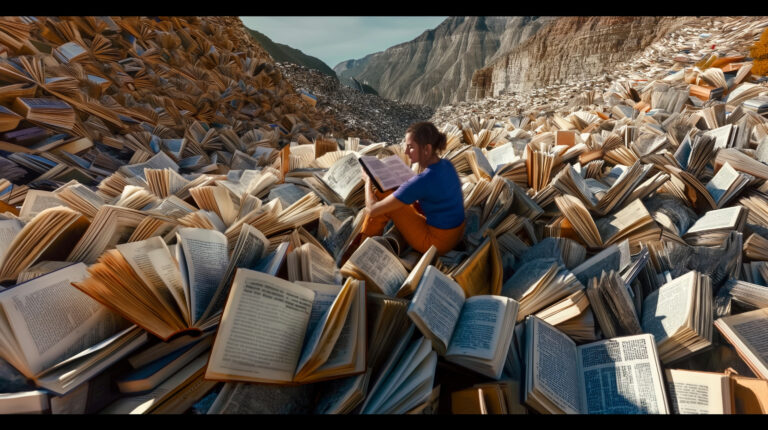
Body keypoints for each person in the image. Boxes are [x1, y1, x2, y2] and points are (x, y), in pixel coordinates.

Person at [357, 121, 465, 255]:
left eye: (411, 147)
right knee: (398, 196)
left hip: (435, 243)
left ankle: (360, 251)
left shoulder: (422, 181)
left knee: (382, 194)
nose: (406, 151)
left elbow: (372, 210)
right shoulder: (446, 165)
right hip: (457, 234)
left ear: (427, 149)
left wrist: (368, 180)